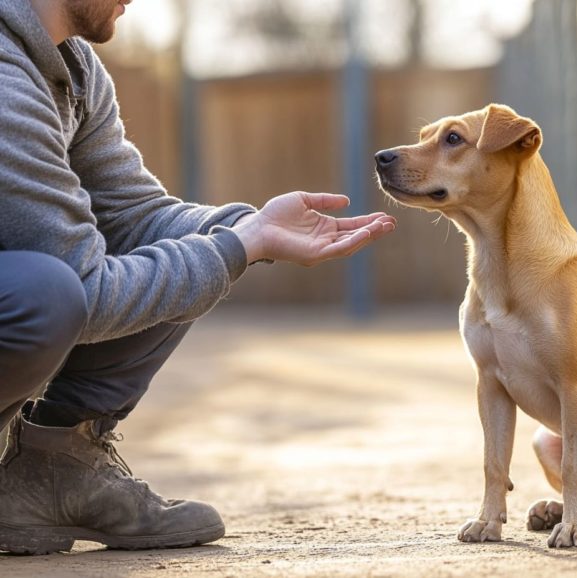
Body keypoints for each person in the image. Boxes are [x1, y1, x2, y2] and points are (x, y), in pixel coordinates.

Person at [0, 0, 396, 554]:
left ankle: (52, 467)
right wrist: (239, 246)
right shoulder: (7, 85)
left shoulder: (74, 68)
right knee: (47, 295)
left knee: (182, 249)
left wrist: (246, 226)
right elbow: (84, 291)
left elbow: (135, 215)